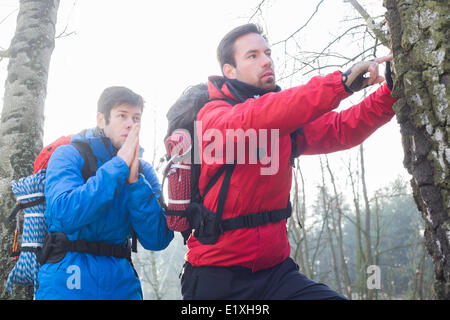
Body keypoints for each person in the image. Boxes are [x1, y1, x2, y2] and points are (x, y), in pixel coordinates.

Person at [180, 23, 397, 300]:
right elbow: (255, 119)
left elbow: (341, 128)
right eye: (253, 56)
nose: (267, 60)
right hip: (216, 279)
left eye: (267, 53)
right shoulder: (213, 117)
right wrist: (339, 84)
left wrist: (389, 92)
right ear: (229, 71)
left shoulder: (281, 119)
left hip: (277, 275)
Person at [35, 86, 173, 300]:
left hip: (122, 284)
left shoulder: (143, 172)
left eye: (136, 118)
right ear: (102, 120)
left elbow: (158, 239)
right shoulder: (68, 155)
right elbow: (66, 213)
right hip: (66, 281)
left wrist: (135, 182)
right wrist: (118, 166)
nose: (131, 123)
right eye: (122, 115)